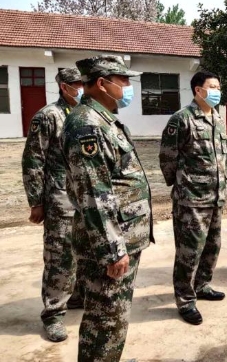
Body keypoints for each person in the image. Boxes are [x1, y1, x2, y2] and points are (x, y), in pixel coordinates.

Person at [62, 55, 154, 362]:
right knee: (104, 321)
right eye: (123, 80)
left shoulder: (104, 119)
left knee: (114, 317)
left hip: (123, 235)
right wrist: (113, 250)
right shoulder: (86, 124)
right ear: (102, 83)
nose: (128, 87)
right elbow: (93, 192)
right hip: (109, 245)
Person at [159, 70, 227, 326]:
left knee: (212, 247)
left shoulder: (217, 118)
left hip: (216, 197)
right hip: (191, 200)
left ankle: (202, 285)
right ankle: (185, 300)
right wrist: (181, 186)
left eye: (218, 86)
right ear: (198, 90)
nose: (217, 91)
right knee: (189, 252)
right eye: (213, 86)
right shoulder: (182, 119)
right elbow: (167, 157)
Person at [21, 68, 84, 342]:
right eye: (76, 84)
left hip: (87, 198)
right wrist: (36, 202)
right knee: (60, 257)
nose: (81, 88)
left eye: (83, 83)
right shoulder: (48, 116)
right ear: (64, 87)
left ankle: (77, 296)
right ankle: (53, 314)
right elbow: (33, 161)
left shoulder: (87, 114)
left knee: (85, 251)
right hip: (60, 198)